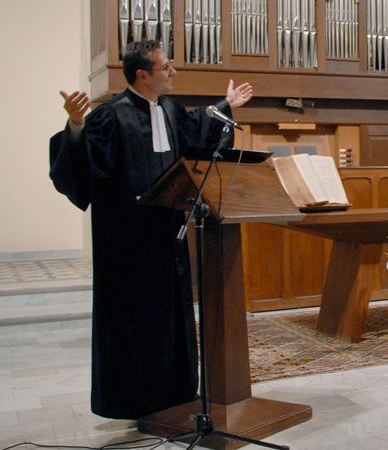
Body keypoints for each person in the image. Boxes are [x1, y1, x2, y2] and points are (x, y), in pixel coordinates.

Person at [49, 40, 254, 419]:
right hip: (126, 242)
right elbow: (78, 167)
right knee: (134, 321)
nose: (173, 72)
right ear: (143, 75)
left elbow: (198, 129)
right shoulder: (110, 115)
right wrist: (76, 126)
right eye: (166, 67)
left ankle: (175, 393)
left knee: (171, 316)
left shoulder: (171, 110)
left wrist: (226, 105)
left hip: (168, 233)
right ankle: (134, 401)